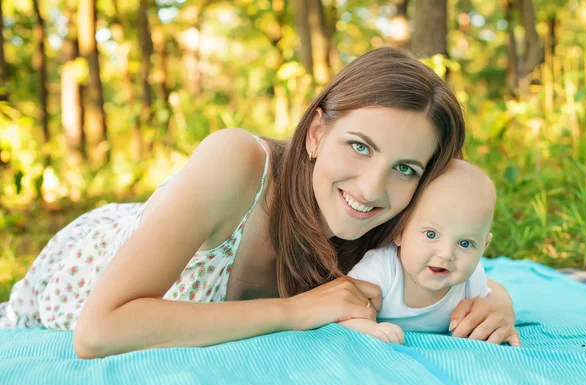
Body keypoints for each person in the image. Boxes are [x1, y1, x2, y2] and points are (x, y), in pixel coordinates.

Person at [0, 47, 519, 358]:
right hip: (97, 263)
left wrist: (493, 300)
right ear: (317, 133)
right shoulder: (237, 163)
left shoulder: (394, 216)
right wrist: (291, 312)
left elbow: (447, 254)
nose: (370, 188)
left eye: (405, 168)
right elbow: (97, 332)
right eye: (359, 146)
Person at [342, 159, 503, 345]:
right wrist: (371, 329)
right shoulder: (380, 270)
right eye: (431, 234)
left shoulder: (471, 283)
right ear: (400, 231)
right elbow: (345, 308)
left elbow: (490, 311)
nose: (446, 254)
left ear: (485, 245)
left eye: (465, 243)